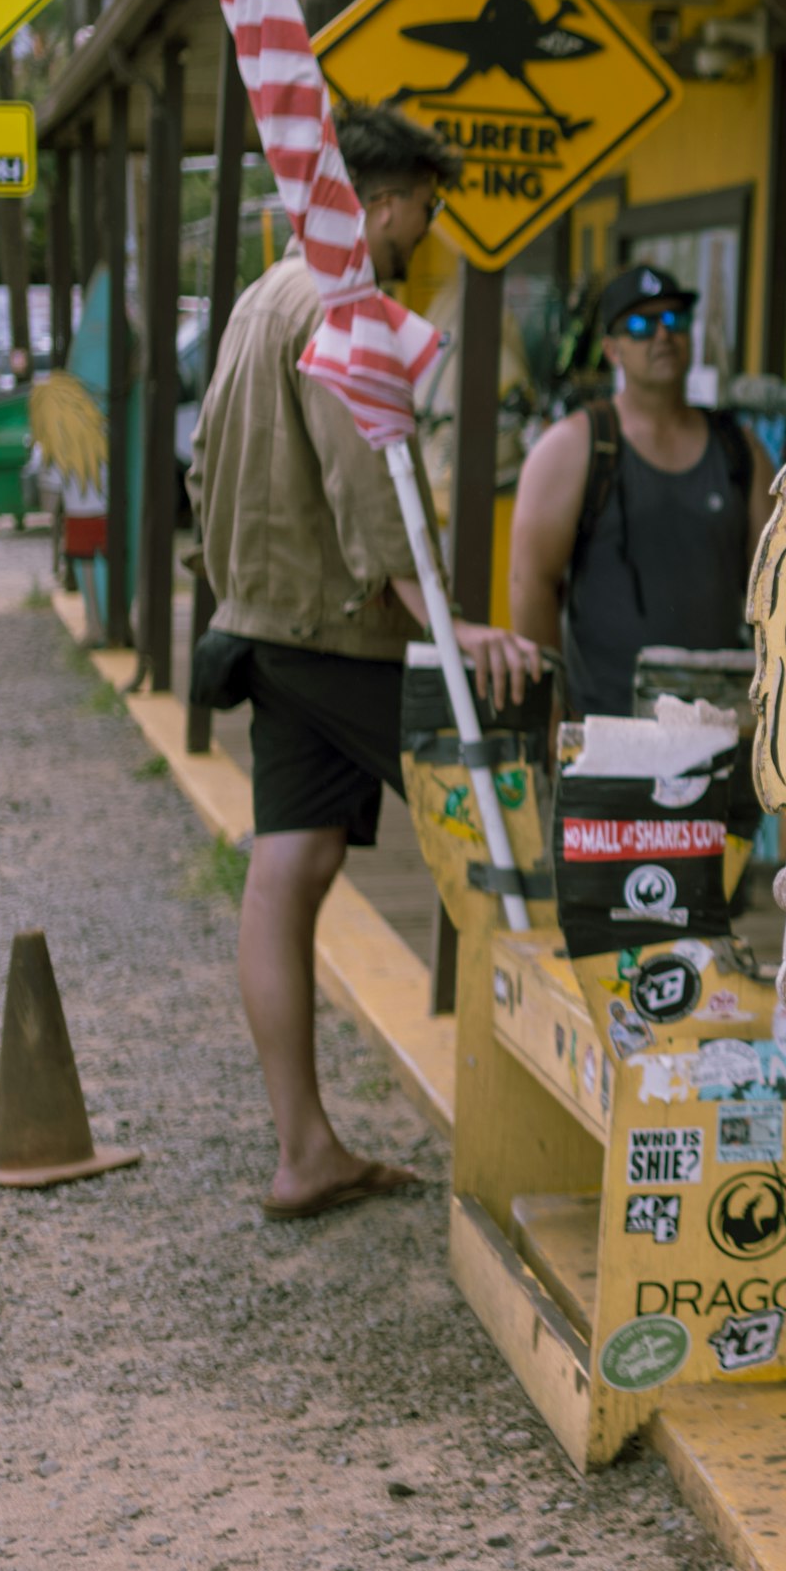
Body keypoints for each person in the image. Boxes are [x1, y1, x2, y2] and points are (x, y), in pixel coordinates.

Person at [192, 105, 542, 1220]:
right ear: (380, 204)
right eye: (422, 214)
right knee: (518, 839)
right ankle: (546, 1144)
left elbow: (205, 468)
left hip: (261, 624)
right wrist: (443, 624)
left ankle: (305, 1150)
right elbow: (365, 480)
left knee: (287, 871)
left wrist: (243, 586)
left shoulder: (259, 301)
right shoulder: (348, 306)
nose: (423, 238)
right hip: (341, 633)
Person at [508, 263, 775, 718]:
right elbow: (530, 582)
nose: (661, 335)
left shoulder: (738, 447)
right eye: (640, 325)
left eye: (674, 320)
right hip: (607, 726)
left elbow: (776, 583)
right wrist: (550, 707)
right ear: (612, 350)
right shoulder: (575, 447)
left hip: (723, 723)